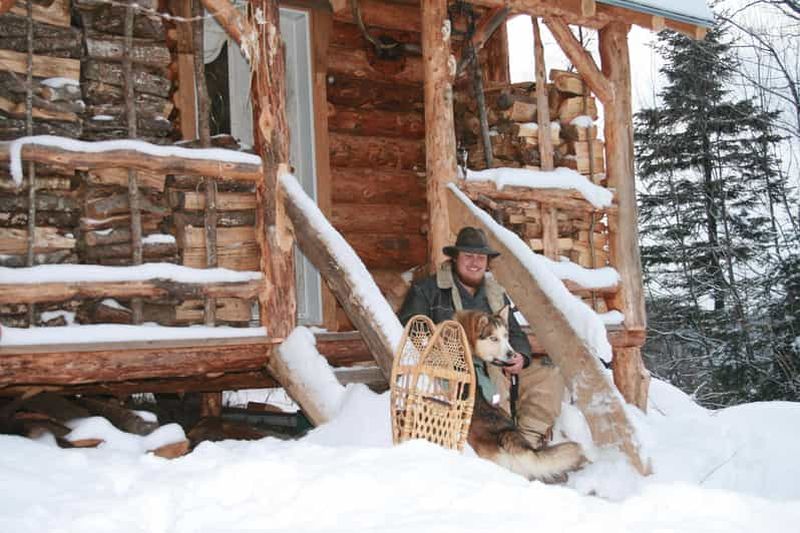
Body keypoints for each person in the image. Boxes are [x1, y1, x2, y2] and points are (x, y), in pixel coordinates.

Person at [397, 226, 565, 449]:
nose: (475, 262)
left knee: (548, 375)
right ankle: (499, 448)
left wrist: (521, 358)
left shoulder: (494, 293)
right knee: (495, 385)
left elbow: (514, 333)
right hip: (455, 370)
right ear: (455, 259)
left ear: (487, 262)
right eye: (468, 256)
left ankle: (526, 442)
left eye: (481, 257)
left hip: (496, 361)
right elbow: (413, 329)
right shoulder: (428, 290)